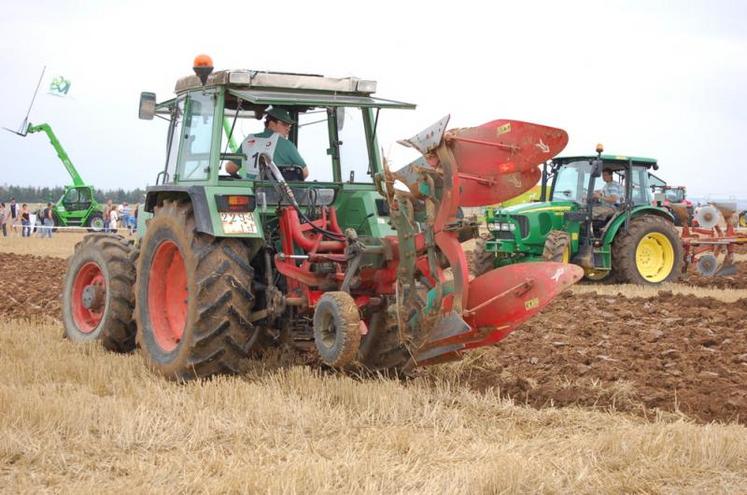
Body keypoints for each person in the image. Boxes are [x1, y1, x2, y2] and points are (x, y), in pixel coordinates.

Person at [225, 107, 308, 180]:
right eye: (284, 124)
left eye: (289, 125)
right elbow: (304, 173)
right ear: (272, 124)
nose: (288, 128)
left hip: (249, 191)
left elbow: (230, 168)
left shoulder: (248, 140)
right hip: (273, 194)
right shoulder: (287, 145)